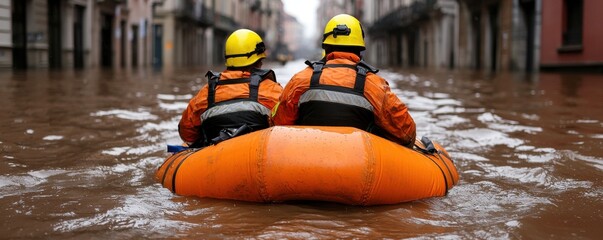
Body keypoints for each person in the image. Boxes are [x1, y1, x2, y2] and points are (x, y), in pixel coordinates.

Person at [271, 14, 416, 147]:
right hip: (360, 164)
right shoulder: (375, 85)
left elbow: (278, 122)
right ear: (360, 49)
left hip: (306, 159)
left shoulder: (301, 79)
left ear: (326, 47)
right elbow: (406, 133)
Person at [179, 29, 283, 147]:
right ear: (258, 62)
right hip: (257, 157)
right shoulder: (272, 90)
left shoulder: (205, 93)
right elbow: (286, 125)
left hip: (212, 158)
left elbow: (187, 134)